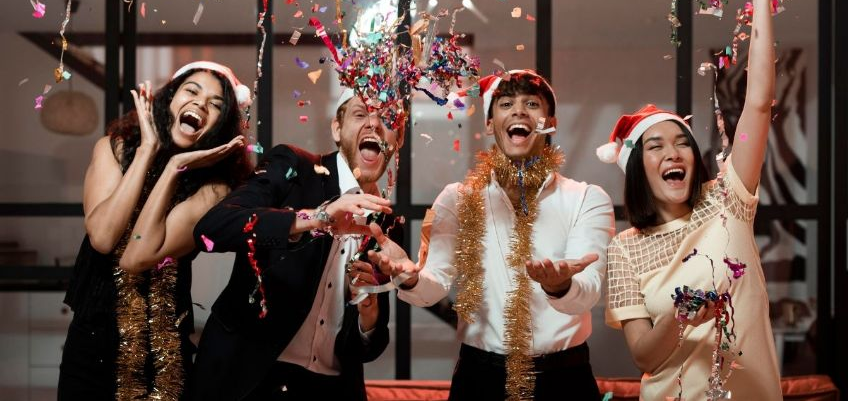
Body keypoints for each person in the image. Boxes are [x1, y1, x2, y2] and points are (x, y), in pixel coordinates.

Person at [369, 70, 614, 400]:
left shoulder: (587, 198)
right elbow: (432, 287)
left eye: (532, 104)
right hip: (480, 378)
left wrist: (561, 286)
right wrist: (409, 277)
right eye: (506, 104)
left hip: (564, 379)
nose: (519, 111)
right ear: (489, 123)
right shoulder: (456, 198)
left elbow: (589, 291)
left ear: (550, 123)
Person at [598, 0, 785, 400]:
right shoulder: (624, 248)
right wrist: (677, 318)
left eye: (682, 142)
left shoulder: (728, 200)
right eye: (656, 147)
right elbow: (644, 357)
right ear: (637, 169)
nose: (674, 153)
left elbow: (759, 104)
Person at [190, 87, 406, 401]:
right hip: (246, 380)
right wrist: (317, 218)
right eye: (360, 114)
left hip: (329, 390)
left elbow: (367, 349)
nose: (374, 124)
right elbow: (212, 228)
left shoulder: (386, 224)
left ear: (398, 139)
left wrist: (369, 315)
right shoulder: (293, 168)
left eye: (386, 118)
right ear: (337, 128)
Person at [58, 61, 253, 400]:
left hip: (162, 355)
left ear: (220, 125)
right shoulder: (114, 148)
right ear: (170, 98)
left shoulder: (214, 188)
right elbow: (102, 238)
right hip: (91, 340)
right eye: (192, 91)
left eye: (215, 104)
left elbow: (138, 256)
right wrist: (146, 151)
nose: (200, 104)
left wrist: (175, 168)